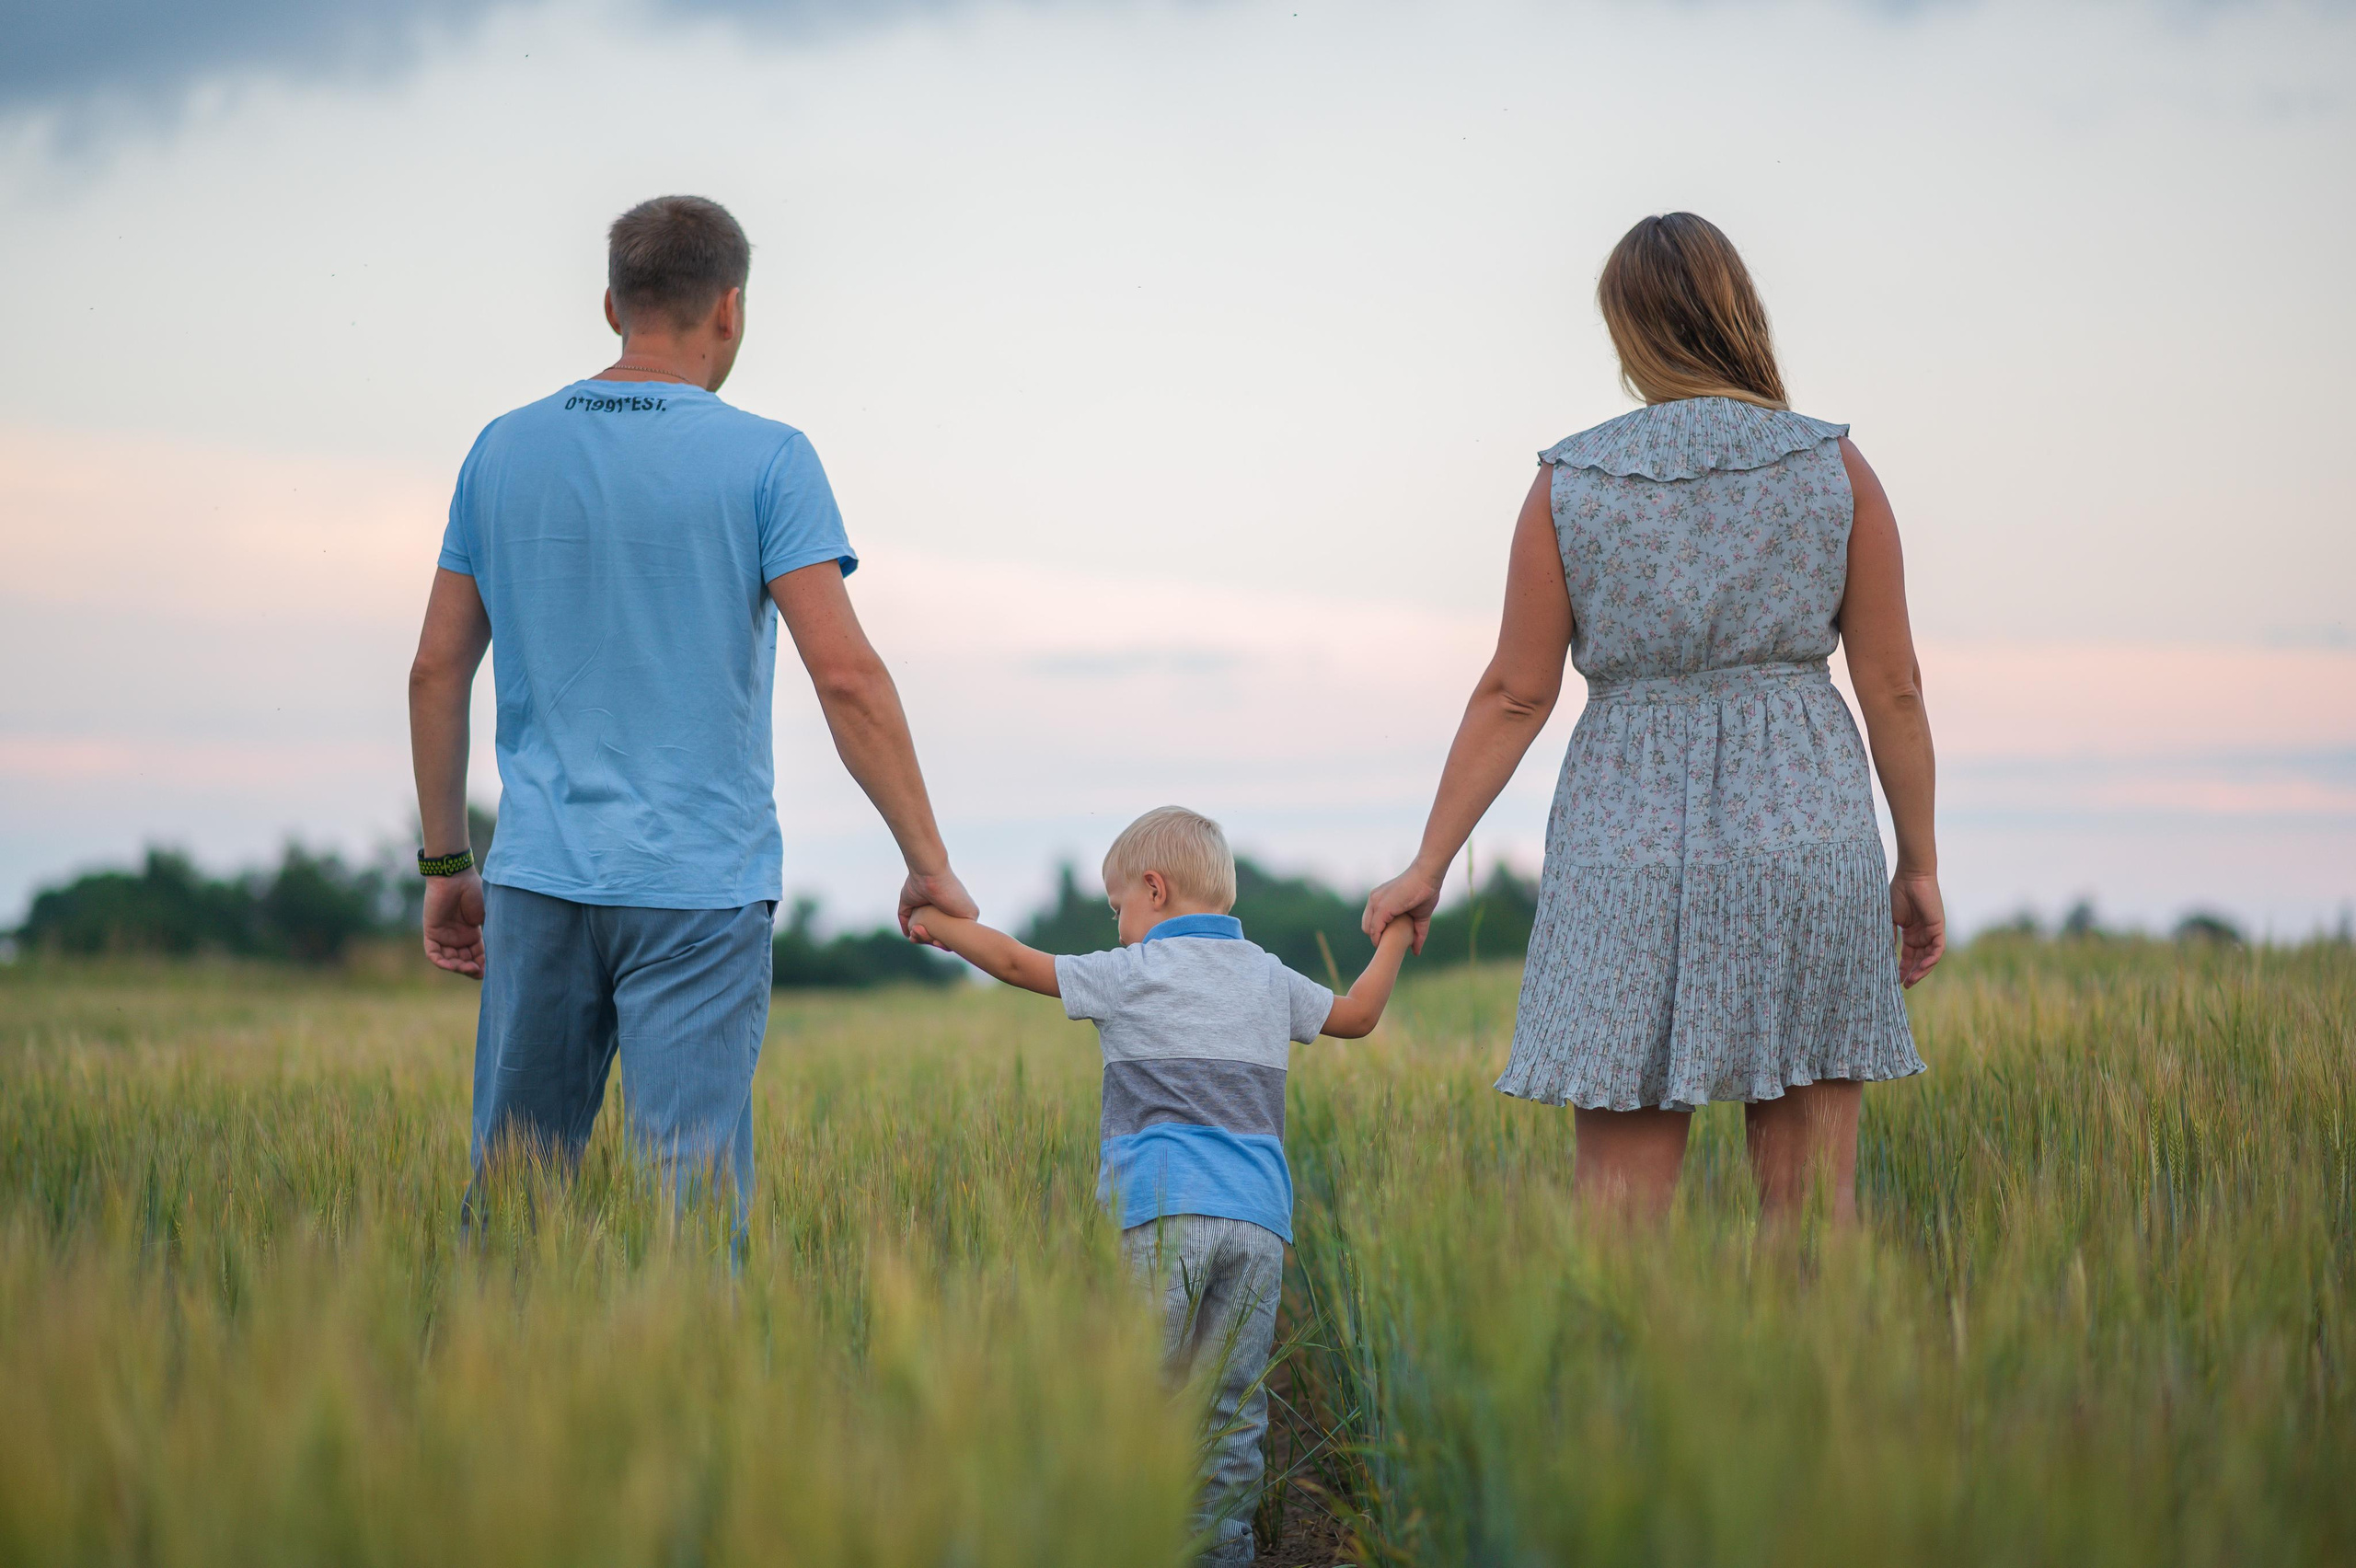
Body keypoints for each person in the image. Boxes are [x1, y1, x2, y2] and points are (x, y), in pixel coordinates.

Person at [407, 194, 974, 1240]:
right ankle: (689, 1400)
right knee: (692, 1205)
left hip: (537, 880)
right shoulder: (768, 458)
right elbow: (844, 674)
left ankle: (489, 1399)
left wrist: (448, 867)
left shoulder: (502, 450)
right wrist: (926, 858)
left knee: (519, 1201)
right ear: (731, 309)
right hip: (701, 889)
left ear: (611, 304)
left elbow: (438, 671)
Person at [1362, 212, 1944, 1223]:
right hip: (1802, 831)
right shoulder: (1831, 468)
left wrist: (1428, 862)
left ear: (1627, 330)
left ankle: (1624, 1381)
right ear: (1739, 309)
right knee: (1810, 1220)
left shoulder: (1573, 483)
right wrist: (1917, 863)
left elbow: (1515, 692)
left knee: (1617, 1227)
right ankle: (1811, 1384)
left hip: (1619, 841)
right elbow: (1893, 685)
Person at [907, 806, 1414, 1565]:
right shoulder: (1270, 978)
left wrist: (941, 925)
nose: (1116, 928)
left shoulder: (1132, 973)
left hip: (1160, 1219)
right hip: (1258, 1228)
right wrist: (1401, 930)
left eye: (1117, 910)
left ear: (1154, 889)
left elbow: (1016, 962)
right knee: (1230, 1411)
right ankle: (1223, 1552)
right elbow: (1362, 1015)